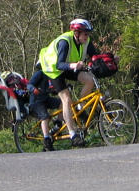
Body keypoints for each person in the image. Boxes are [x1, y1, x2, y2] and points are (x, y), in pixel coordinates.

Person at [39, 18, 98, 146]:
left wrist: (110, 58)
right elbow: (60, 64)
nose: (87, 37)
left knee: (90, 80)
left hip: (70, 66)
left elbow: (95, 56)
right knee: (66, 99)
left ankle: (80, 108)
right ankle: (72, 134)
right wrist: (74, 65)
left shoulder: (85, 41)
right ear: (76, 33)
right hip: (54, 70)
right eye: (85, 34)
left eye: (88, 34)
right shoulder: (65, 42)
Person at [27, 69, 62, 151]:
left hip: (46, 99)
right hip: (36, 101)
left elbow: (52, 89)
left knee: (63, 103)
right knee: (45, 117)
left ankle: (58, 123)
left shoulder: (51, 75)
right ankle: (46, 140)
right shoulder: (39, 73)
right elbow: (28, 85)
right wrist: (33, 89)